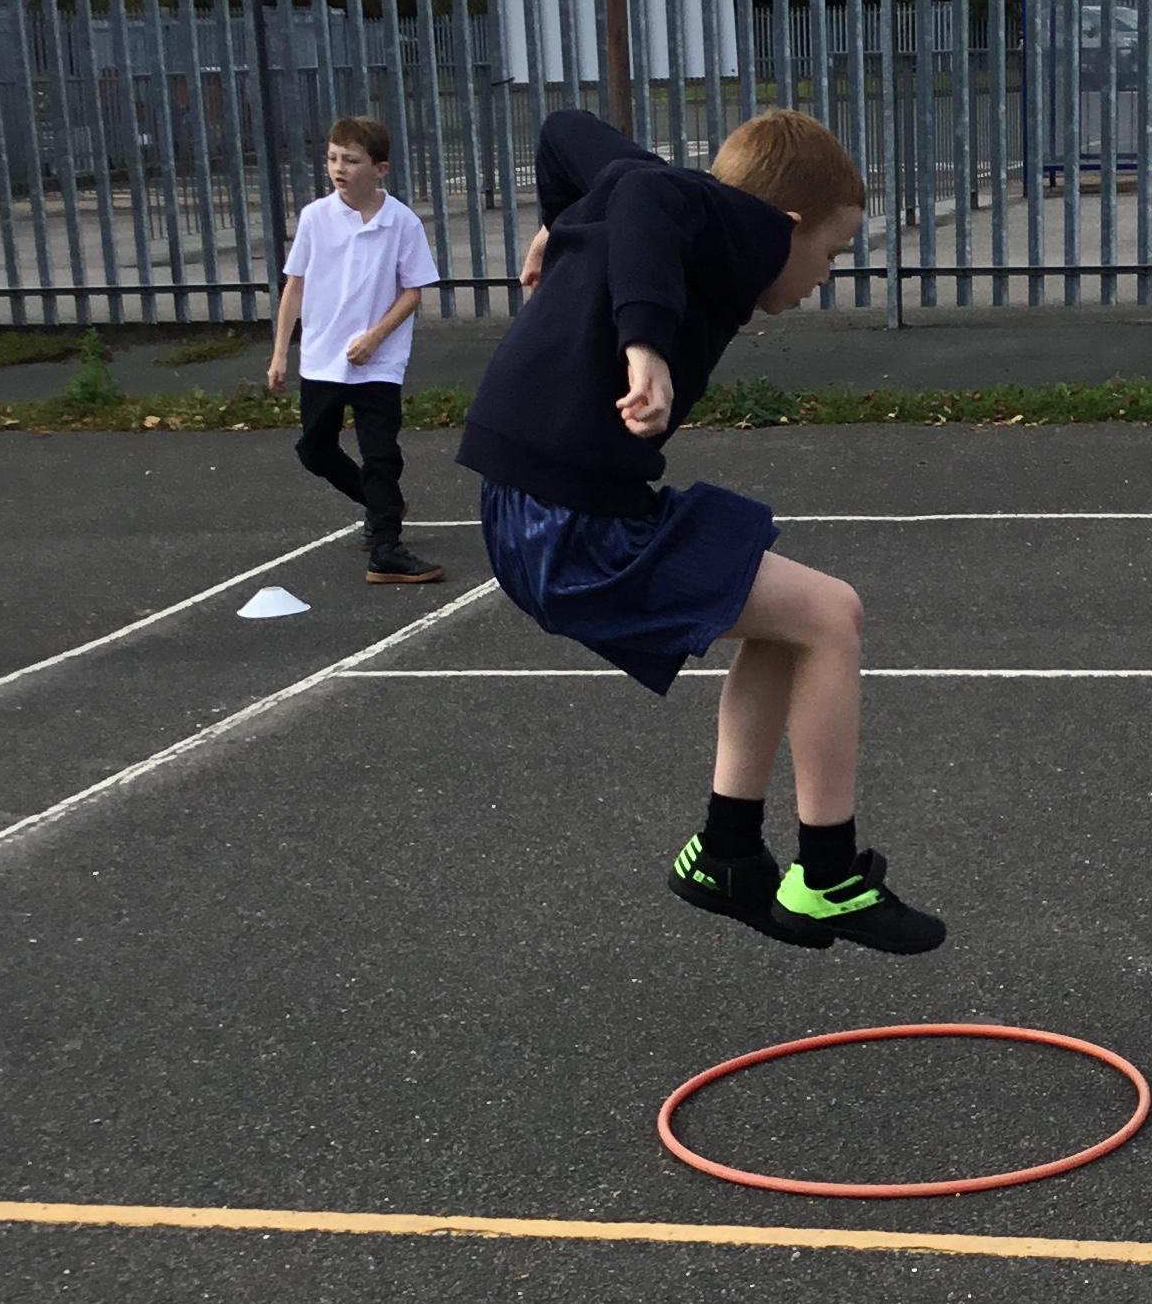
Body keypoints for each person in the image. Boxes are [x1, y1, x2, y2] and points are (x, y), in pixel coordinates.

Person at [462, 106, 942, 954]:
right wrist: (645, 342)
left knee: (790, 622)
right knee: (833, 615)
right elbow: (648, 193)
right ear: (781, 224)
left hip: (546, 505)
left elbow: (565, 132)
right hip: (566, 524)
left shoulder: (671, 212)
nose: (826, 276)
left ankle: (725, 853)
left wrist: (558, 227)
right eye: (830, 253)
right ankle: (828, 876)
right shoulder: (708, 215)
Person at [268, 115, 446, 585]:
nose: (338, 168)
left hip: (378, 362)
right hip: (323, 357)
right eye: (332, 158)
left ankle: (387, 548)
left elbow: (413, 292)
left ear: (379, 168)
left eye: (350, 160)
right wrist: (280, 353)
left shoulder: (401, 222)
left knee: (381, 453)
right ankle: (379, 503)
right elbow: (294, 286)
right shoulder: (315, 217)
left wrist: (375, 337)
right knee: (315, 449)